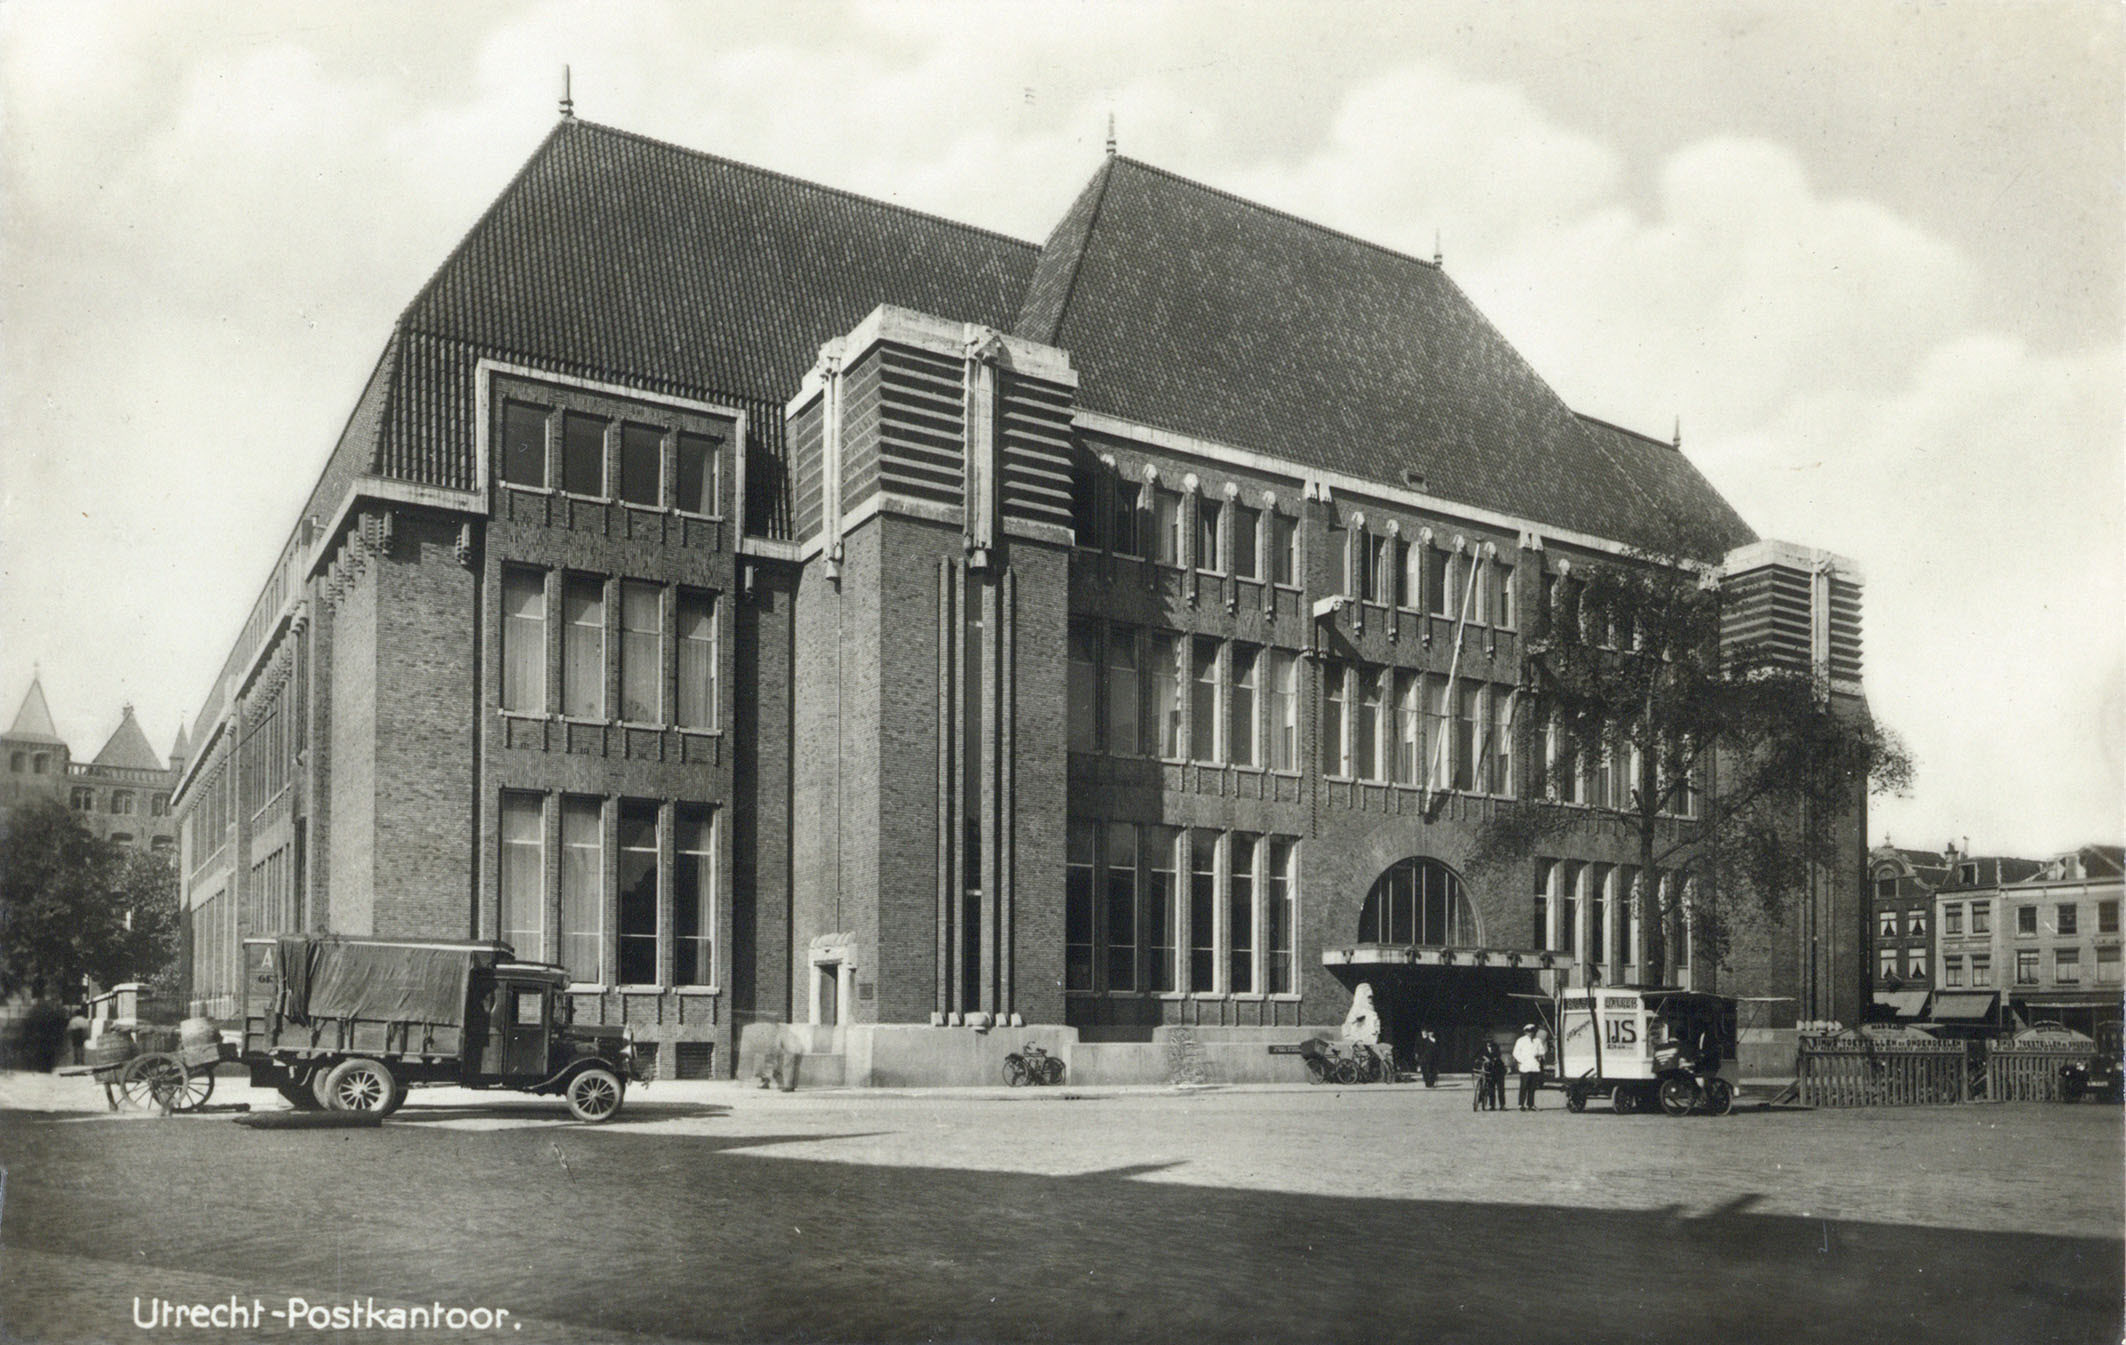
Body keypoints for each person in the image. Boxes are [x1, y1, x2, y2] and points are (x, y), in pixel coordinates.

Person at [1513, 1023, 1547, 1111]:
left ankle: (1531, 1104)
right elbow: (1516, 1053)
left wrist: (1538, 1054)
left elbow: (1542, 1051)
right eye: (1528, 1032)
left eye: (1532, 1031)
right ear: (1525, 1032)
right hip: (1525, 1067)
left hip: (1534, 1066)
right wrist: (1522, 1060)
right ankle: (1521, 1104)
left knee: (1532, 1087)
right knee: (1524, 1086)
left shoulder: (1537, 1040)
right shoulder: (1521, 1040)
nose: (1530, 1033)